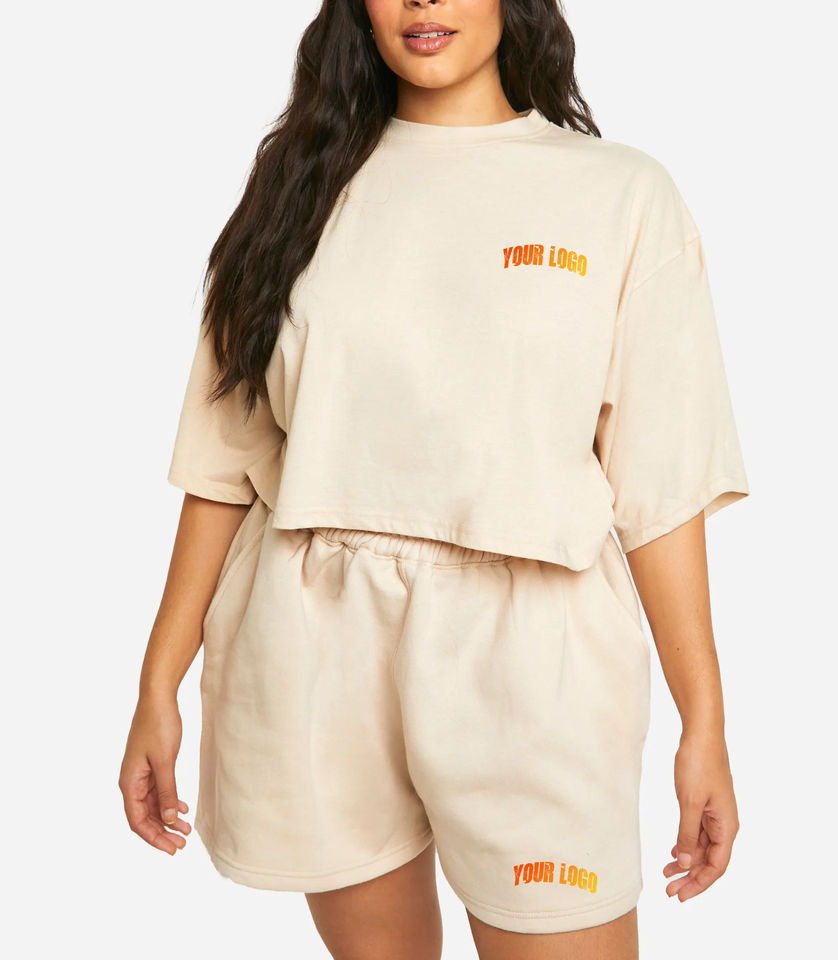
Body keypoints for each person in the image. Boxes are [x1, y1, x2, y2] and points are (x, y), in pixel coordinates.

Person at [119, 1, 750, 957]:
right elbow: (224, 465)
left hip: (533, 654)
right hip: (314, 641)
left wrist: (704, 720)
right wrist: (156, 682)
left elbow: (660, 488)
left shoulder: (619, 195)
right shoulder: (297, 187)